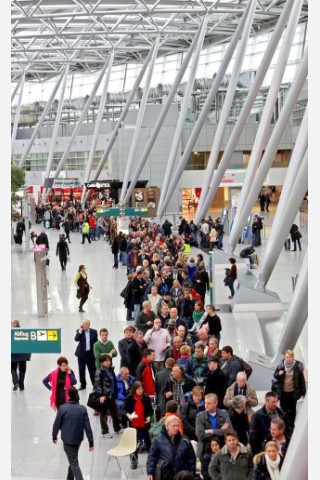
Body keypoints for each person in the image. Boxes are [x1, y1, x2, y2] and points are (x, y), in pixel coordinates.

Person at [52, 386, 94, 480]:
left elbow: (57, 424)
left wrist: (54, 436)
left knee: (73, 462)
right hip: (78, 439)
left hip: (67, 439)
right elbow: (87, 427)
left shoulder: (63, 408)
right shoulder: (82, 409)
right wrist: (91, 441)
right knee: (73, 459)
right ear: (77, 395)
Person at [195, 393, 232, 480]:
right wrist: (220, 430)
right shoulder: (200, 416)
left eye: (209, 403)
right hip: (205, 450)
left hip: (221, 448)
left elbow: (229, 431)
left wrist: (211, 431)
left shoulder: (224, 414)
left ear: (215, 403)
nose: (206, 405)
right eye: (205, 403)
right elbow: (201, 435)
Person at [146, 416, 196, 480]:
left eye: (177, 425)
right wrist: (150, 472)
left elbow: (191, 458)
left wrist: (192, 474)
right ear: (167, 426)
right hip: (165, 474)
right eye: (173, 426)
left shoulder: (185, 441)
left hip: (180, 475)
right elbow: (152, 456)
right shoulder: (158, 440)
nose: (176, 428)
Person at [272, 349, 306, 431]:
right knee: (283, 410)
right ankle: (284, 426)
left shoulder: (298, 366)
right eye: (287, 357)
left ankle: (291, 425)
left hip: (292, 393)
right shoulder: (281, 365)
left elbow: (301, 380)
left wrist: (303, 392)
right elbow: (275, 375)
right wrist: (279, 374)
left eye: (290, 357)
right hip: (283, 393)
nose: (288, 358)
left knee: (292, 411)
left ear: (293, 357)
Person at [123, 380, 153, 468]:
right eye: (139, 389)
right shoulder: (129, 397)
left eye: (142, 389)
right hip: (134, 423)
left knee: (148, 442)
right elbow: (123, 410)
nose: (141, 391)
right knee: (133, 443)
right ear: (134, 390)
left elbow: (150, 410)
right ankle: (134, 461)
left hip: (144, 423)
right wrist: (128, 415)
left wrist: (149, 416)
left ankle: (151, 460)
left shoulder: (146, 397)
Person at [249, 391, 286, 456]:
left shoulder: (281, 413)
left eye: (276, 401)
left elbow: (288, 429)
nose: (275, 404)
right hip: (265, 449)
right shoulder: (257, 415)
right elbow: (253, 437)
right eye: (273, 402)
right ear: (266, 401)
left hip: (280, 448)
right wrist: (259, 453)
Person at [93, 353, 122, 438]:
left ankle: (117, 428)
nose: (108, 362)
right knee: (104, 413)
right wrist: (101, 395)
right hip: (104, 396)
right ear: (102, 363)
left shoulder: (111, 370)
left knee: (114, 412)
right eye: (106, 361)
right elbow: (97, 385)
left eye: (109, 360)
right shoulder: (99, 372)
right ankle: (104, 431)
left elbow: (114, 382)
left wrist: (116, 393)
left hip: (112, 395)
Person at [74, 319, 98, 390]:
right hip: (81, 354)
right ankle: (83, 384)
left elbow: (95, 342)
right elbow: (76, 339)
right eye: (83, 324)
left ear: (88, 325)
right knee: (81, 370)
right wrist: (80, 330)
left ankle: (95, 384)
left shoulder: (94, 332)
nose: (84, 325)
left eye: (85, 324)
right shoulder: (79, 331)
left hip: (90, 354)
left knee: (92, 370)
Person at [11, 319, 31, 391]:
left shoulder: (11, 333)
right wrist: (28, 355)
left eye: (11, 323)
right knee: (22, 370)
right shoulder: (24, 332)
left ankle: (16, 382)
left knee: (12, 369)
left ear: (15, 324)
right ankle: (21, 385)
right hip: (23, 356)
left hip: (13, 356)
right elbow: (29, 344)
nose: (10, 324)